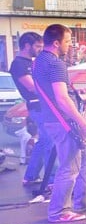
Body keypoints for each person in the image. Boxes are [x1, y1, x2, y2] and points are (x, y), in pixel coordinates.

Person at [32, 24, 86, 223]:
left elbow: (53, 94)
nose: (70, 45)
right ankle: (59, 211)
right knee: (70, 167)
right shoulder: (56, 64)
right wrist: (83, 122)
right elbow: (62, 99)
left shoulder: (39, 62)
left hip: (53, 119)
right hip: (64, 122)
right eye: (67, 41)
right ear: (56, 43)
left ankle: (84, 201)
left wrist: (80, 96)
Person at [10, 31, 54, 186]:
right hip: (37, 106)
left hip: (42, 105)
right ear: (26, 45)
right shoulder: (18, 64)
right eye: (37, 46)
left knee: (43, 141)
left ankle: (31, 176)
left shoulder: (33, 62)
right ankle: (52, 180)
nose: (40, 49)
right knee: (50, 141)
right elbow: (32, 87)